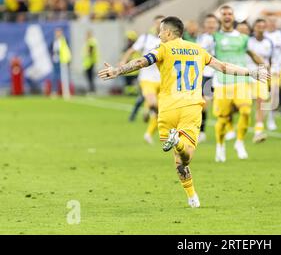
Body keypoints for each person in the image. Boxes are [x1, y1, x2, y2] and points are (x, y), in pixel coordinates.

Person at [98, 16, 270, 208]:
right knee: (186, 156)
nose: (159, 34)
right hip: (191, 107)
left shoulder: (162, 48)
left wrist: (117, 71)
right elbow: (223, 67)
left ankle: (192, 196)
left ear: (169, 33)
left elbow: (140, 63)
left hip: (167, 109)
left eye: (161, 31)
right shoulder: (198, 50)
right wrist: (251, 72)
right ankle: (179, 144)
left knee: (178, 160)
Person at [213, 5, 266, 162]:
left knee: (245, 111)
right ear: (220, 18)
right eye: (224, 14)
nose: (227, 16)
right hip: (222, 82)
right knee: (223, 119)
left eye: (230, 13)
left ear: (233, 16)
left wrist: (263, 66)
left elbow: (252, 54)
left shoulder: (242, 38)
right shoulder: (214, 37)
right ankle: (220, 146)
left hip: (241, 81)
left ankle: (240, 142)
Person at [120, 15, 164, 144]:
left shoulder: (169, 41)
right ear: (154, 24)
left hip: (164, 80)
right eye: (157, 23)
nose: (159, 26)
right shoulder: (145, 38)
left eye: (162, 23)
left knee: (162, 110)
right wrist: (123, 60)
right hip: (147, 78)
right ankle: (147, 108)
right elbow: (131, 50)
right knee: (152, 103)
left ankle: (149, 134)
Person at [248, 18, 274, 143]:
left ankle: (258, 130)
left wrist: (269, 71)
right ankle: (230, 128)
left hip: (262, 76)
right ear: (254, 28)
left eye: (263, 26)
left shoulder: (269, 42)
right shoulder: (248, 42)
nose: (261, 28)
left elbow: (271, 59)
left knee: (261, 102)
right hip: (248, 75)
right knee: (244, 105)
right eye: (258, 26)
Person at [196, 13, 219, 142]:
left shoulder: (221, 37)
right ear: (205, 25)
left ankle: (229, 128)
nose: (211, 25)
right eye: (208, 22)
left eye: (213, 22)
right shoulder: (201, 38)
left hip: (221, 74)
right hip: (206, 75)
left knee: (224, 104)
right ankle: (202, 132)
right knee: (203, 103)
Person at [50, 28, 71, 97]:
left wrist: (67, 60)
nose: (58, 34)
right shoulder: (54, 41)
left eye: (59, 32)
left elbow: (66, 50)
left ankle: (65, 92)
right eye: (57, 32)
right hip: (55, 60)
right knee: (55, 77)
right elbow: (51, 50)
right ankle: (54, 91)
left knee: (64, 77)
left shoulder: (63, 40)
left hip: (62, 61)